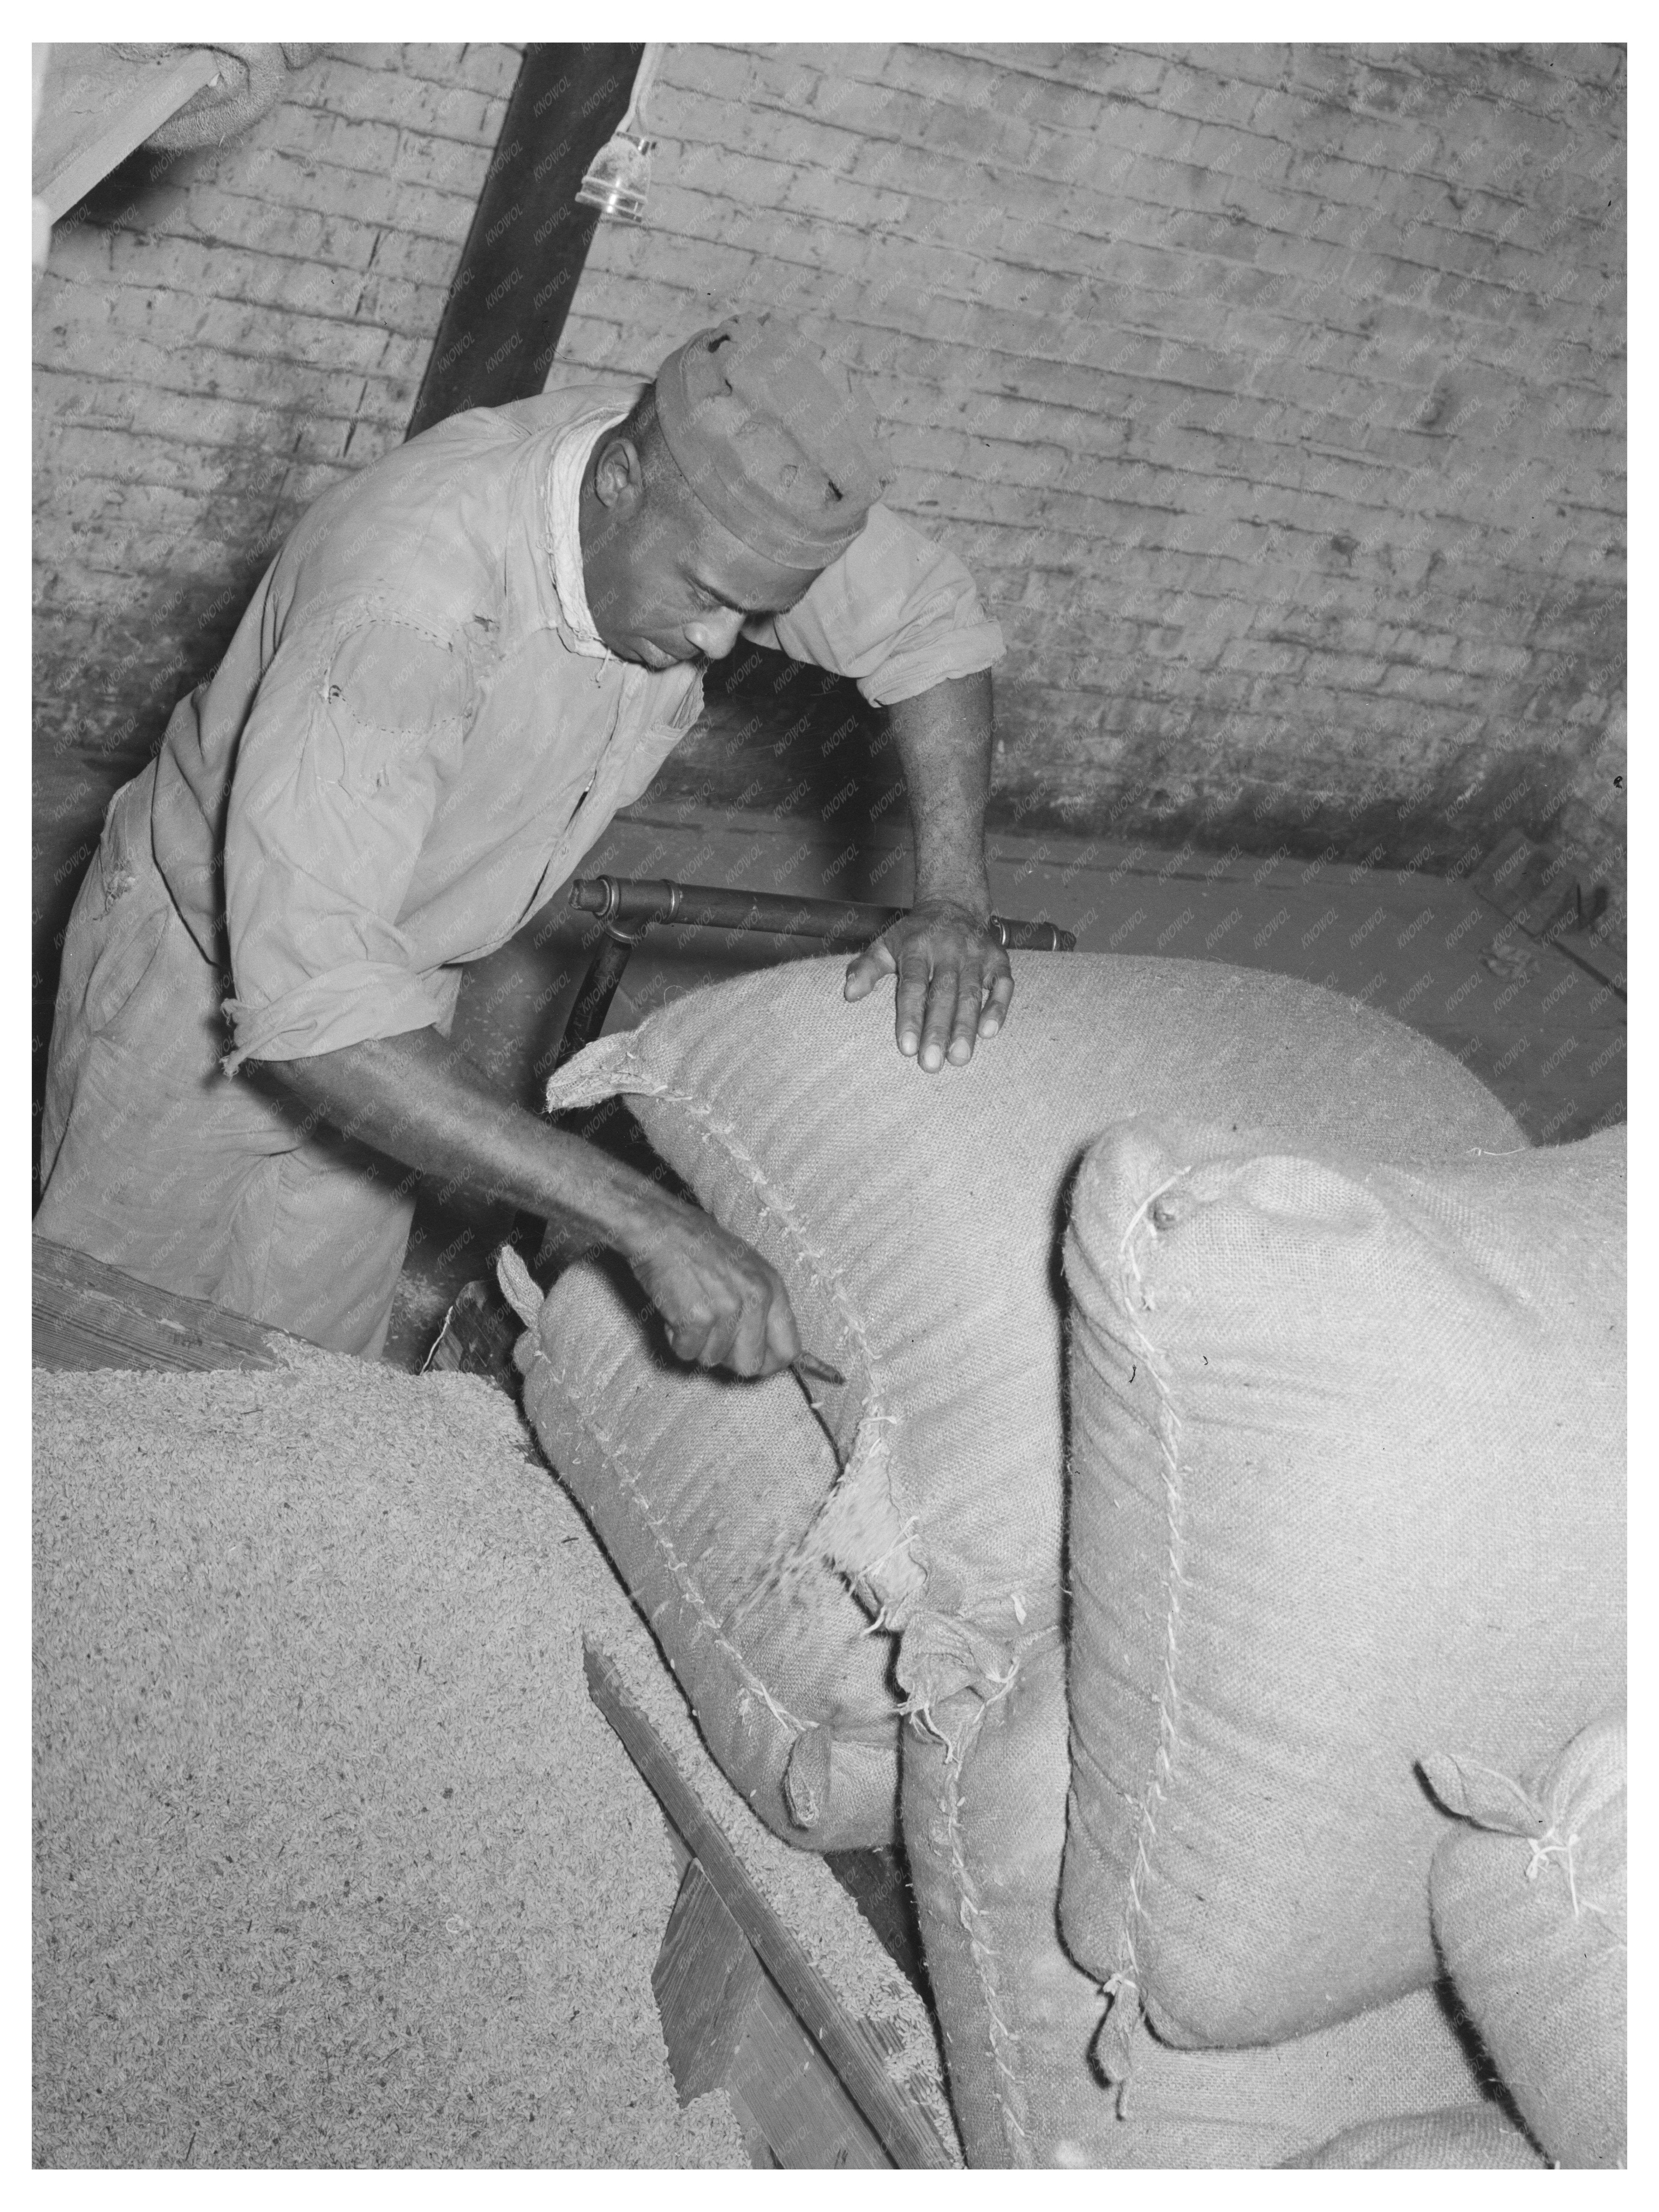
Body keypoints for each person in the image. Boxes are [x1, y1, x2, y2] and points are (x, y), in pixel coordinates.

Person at [36, 313, 1013, 1373]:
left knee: (305, 1380)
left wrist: (952, 898)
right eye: (705, 596)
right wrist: (647, 1221)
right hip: (199, 973)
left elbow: (929, 625)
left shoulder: (707, 498)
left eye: (757, 611)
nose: (719, 643)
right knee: (108, 1367)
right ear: (618, 480)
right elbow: (311, 1009)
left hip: (398, 991)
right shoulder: (410, 608)